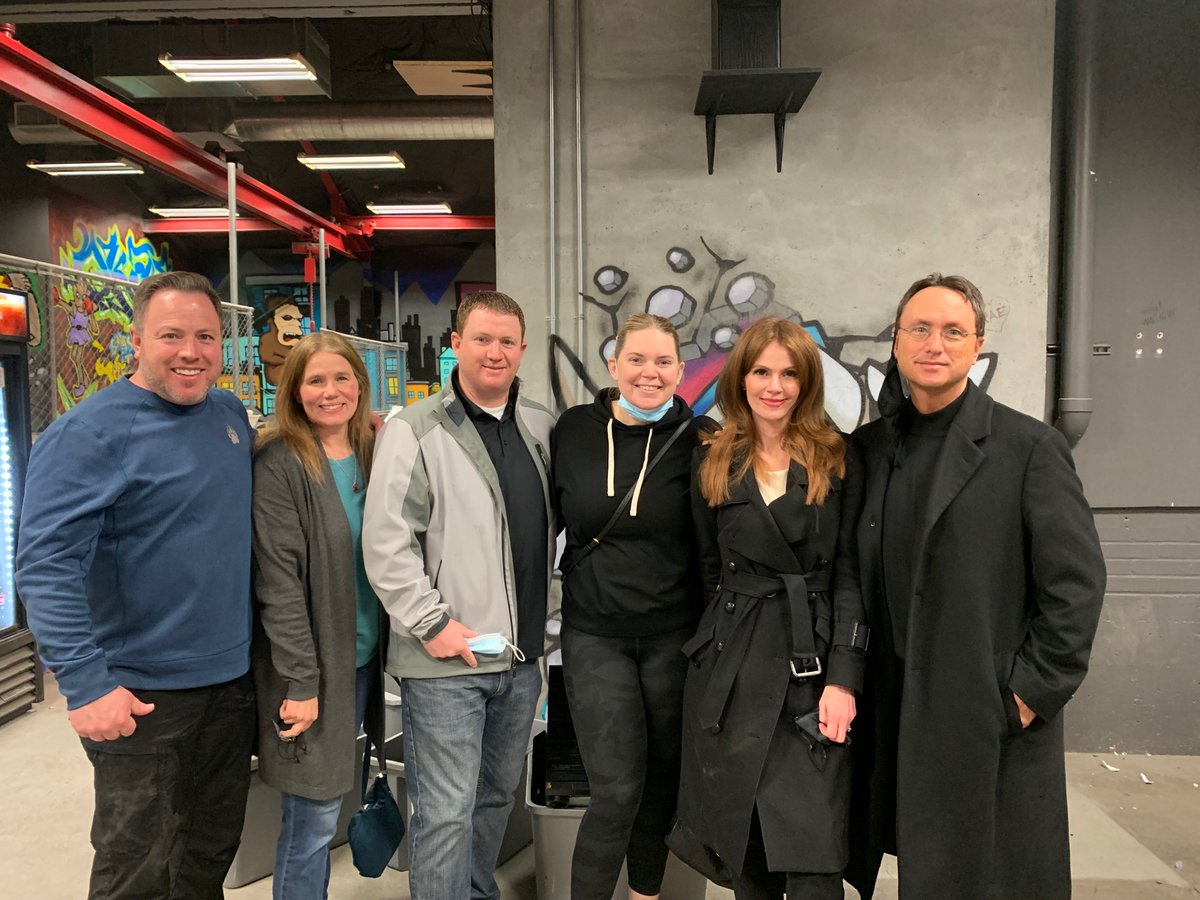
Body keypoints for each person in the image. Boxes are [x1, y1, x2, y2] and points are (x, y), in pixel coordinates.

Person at [844, 273, 1106, 899]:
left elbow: (1076, 584)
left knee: (988, 874)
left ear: (977, 344)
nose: (935, 343)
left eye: (953, 331)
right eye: (920, 329)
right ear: (897, 341)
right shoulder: (869, 448)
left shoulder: (1029, 448)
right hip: (894, 705)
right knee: (925, 865)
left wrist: (1029, 692)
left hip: (984, 705)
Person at [15, 270, 256, 898]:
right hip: (142, 696)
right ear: (137, 340)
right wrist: (86, 682)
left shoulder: (228, 414)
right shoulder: (88, 434)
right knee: (139, 871)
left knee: (208, 854)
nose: (190, 352)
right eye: (171, 335)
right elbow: (46, 565)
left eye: (206, 337)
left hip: (230, 685)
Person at [363, 290, 555, 900]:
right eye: (482, 339)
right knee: (445, 812)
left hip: (519, 661)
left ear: (522, 350)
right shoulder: (414, 429)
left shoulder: (540, 425)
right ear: (456, 345)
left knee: (495, 797)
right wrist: (433, 625)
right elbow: (387, 541)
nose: (495, 352)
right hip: (445, 659)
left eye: (507, 342)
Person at [675, 316, 869, 900]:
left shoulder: (838, 457)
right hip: (732, 670)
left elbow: (850, 575)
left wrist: (844, 678)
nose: (774, 386)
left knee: (815, 857)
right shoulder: (713, 459)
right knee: (749, 851)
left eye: (789, 374)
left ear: (807, 381)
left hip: (812, 669)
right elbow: (709, 570)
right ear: (742, 377)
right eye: (762, 371)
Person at [551, 313, 709, 900]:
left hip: (675, 638)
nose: (650, 372)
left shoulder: (703, 438)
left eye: (663, 361)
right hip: (596, 636)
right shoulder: (574, 430)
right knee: (616, 792)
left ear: (680, 370)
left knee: (662, 788)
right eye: (636, 360)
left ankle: (646, 895)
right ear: (613, 365)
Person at [250, 332, 385, 899]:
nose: (331, 392)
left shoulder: (376, 451)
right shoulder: (280, 462)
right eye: (315, 380)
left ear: (360, 383)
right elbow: (277, 583)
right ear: (294, 391)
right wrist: (302, 682)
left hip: (365, 658)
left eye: (341, 378)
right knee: (313, 819)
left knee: (334, 803)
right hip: (312, 668)